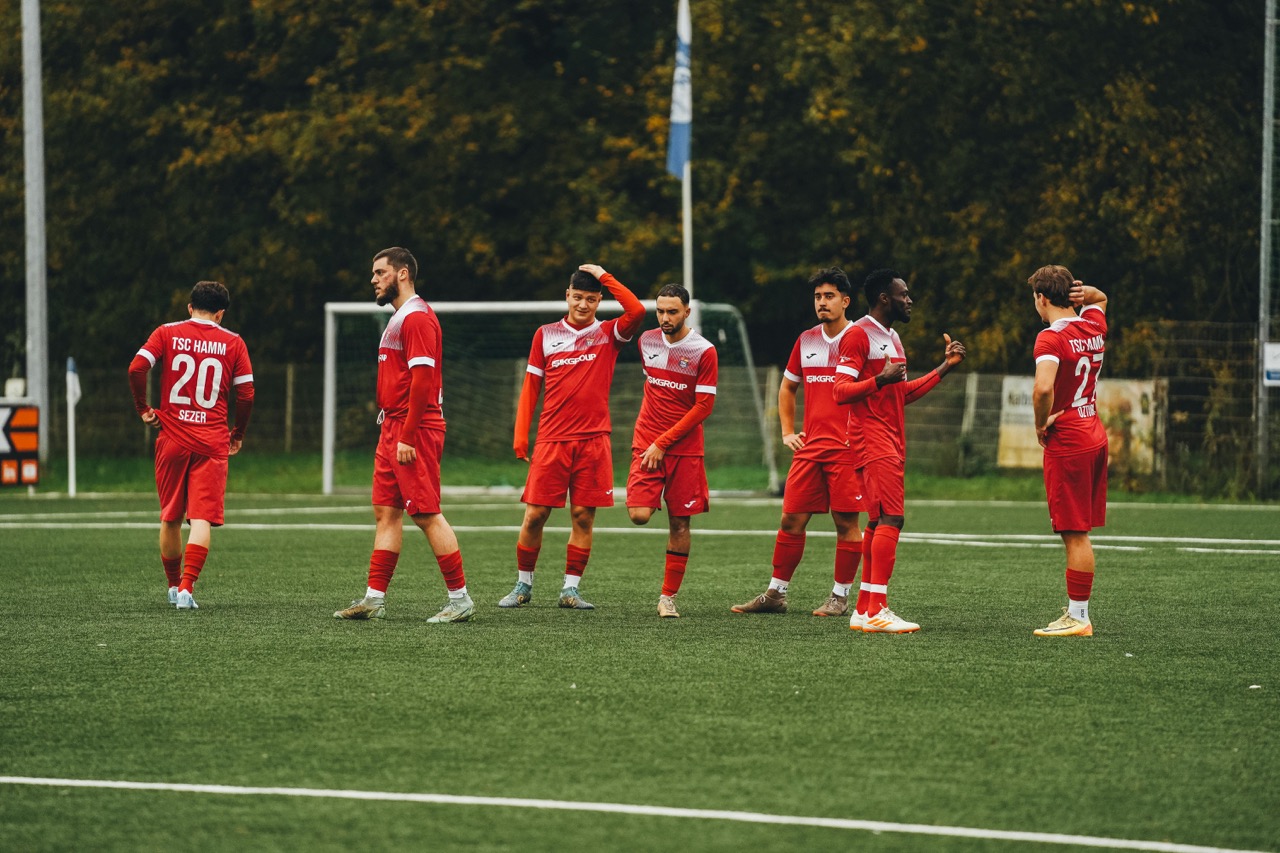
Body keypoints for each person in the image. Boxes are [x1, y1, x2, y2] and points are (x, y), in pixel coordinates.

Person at [333, 247, 474, 623]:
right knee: (386, 512)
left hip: (416, 428)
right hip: (393, 427)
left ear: (402, 274)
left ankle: (460, 599)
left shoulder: (417, 318)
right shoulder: (400, 318)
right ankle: (374, 599)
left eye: (380, 272)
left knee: (426, 513)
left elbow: (422, 380)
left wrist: (408, 435)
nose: (374, 279)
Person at [500, 263, 645, 611]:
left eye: (591, 299)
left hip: (594, 440)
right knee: (536, 515)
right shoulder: (545, 334)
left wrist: (605, 276)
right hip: (552, 439)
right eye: (577, 297)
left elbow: (637, 311)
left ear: (599, 301)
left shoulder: (609, 333)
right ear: (567, 295)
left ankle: (570, 590)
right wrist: (521, 435)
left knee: (582, 516)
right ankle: (523, 585)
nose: (583, 304)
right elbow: (531, 386)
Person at [834, 269, 966, 633]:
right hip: (872, 438)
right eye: (903, 294)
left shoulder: (892, 337)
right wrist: (879, 379)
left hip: (889, 439)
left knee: (878, 521)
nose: (910, 300)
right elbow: (840, 391)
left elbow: (901, 393)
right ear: (884, 299)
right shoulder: (858, 334)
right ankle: (879, 608)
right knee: (892, 519)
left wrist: (945, 367)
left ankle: (864, 609)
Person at [732, 268, 866, 618]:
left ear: (845, 301)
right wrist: (787, 431)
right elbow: (788, 386)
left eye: (829, 296)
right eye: (818, 296)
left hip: (848, 448)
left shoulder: (860, 338)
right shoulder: (806, 339)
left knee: (846, 524)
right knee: (790, 520)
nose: (822, 302)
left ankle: (840, 597)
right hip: (810, 447)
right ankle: (776, 594)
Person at [128, 280, 255, 610]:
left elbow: (137, 367)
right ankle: (187, 589)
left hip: (172, 438)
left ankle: (172, 586)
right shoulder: (233, 342)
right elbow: (246, 394)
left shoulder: (167, 332)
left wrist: (143, 408)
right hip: (212, 442)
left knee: (170, 516)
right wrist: (238, 433)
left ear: (189, 307)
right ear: (221, 313)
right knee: (201, 519)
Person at [627, 283, 718, 618]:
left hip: (685, 450)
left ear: (687, 312)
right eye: (660, 311)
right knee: (638, 515)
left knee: (680, 524)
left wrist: (663, 443)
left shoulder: (704, 351)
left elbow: (703, 406)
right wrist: (654, 441)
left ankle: (667, 597)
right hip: (646, 443)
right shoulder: (646, 340)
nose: (665, 317)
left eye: (672, 312)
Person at [1028, 266, 1109, 637]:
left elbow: (1043, 389)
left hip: (1069, 440)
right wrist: (1083, 292)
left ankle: (1078, 617)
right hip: (1093, 430)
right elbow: (1100, 297)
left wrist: (1040, 423)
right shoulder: (1092, 325)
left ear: (1042, 298)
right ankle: (1078, 613)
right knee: (1079, 530)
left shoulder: (1050, 337)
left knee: (1075, 533)